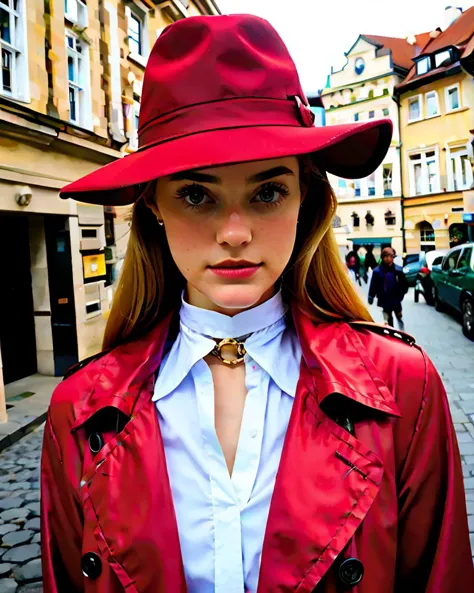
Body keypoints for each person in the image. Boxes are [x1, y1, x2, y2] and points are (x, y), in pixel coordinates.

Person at [40, 14, 474, 593]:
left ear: (305, 203)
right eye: (197, 194)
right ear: (154, 207)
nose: (235, 232)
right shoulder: (80, 410)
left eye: (268, 191)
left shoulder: (402, 387)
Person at [368, 246, 409, 329]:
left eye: (391, 257)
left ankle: (402, 332)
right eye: (386, 257)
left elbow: (405, 284)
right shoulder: (377, 272)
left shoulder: (398, 270)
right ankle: (391, 334)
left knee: (399, 316)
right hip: (384, 299)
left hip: (396, 299)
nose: (388, 259)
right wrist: (371, 296)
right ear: (382, 258)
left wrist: (401, 294)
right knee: (388, 320)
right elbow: (373, 285)